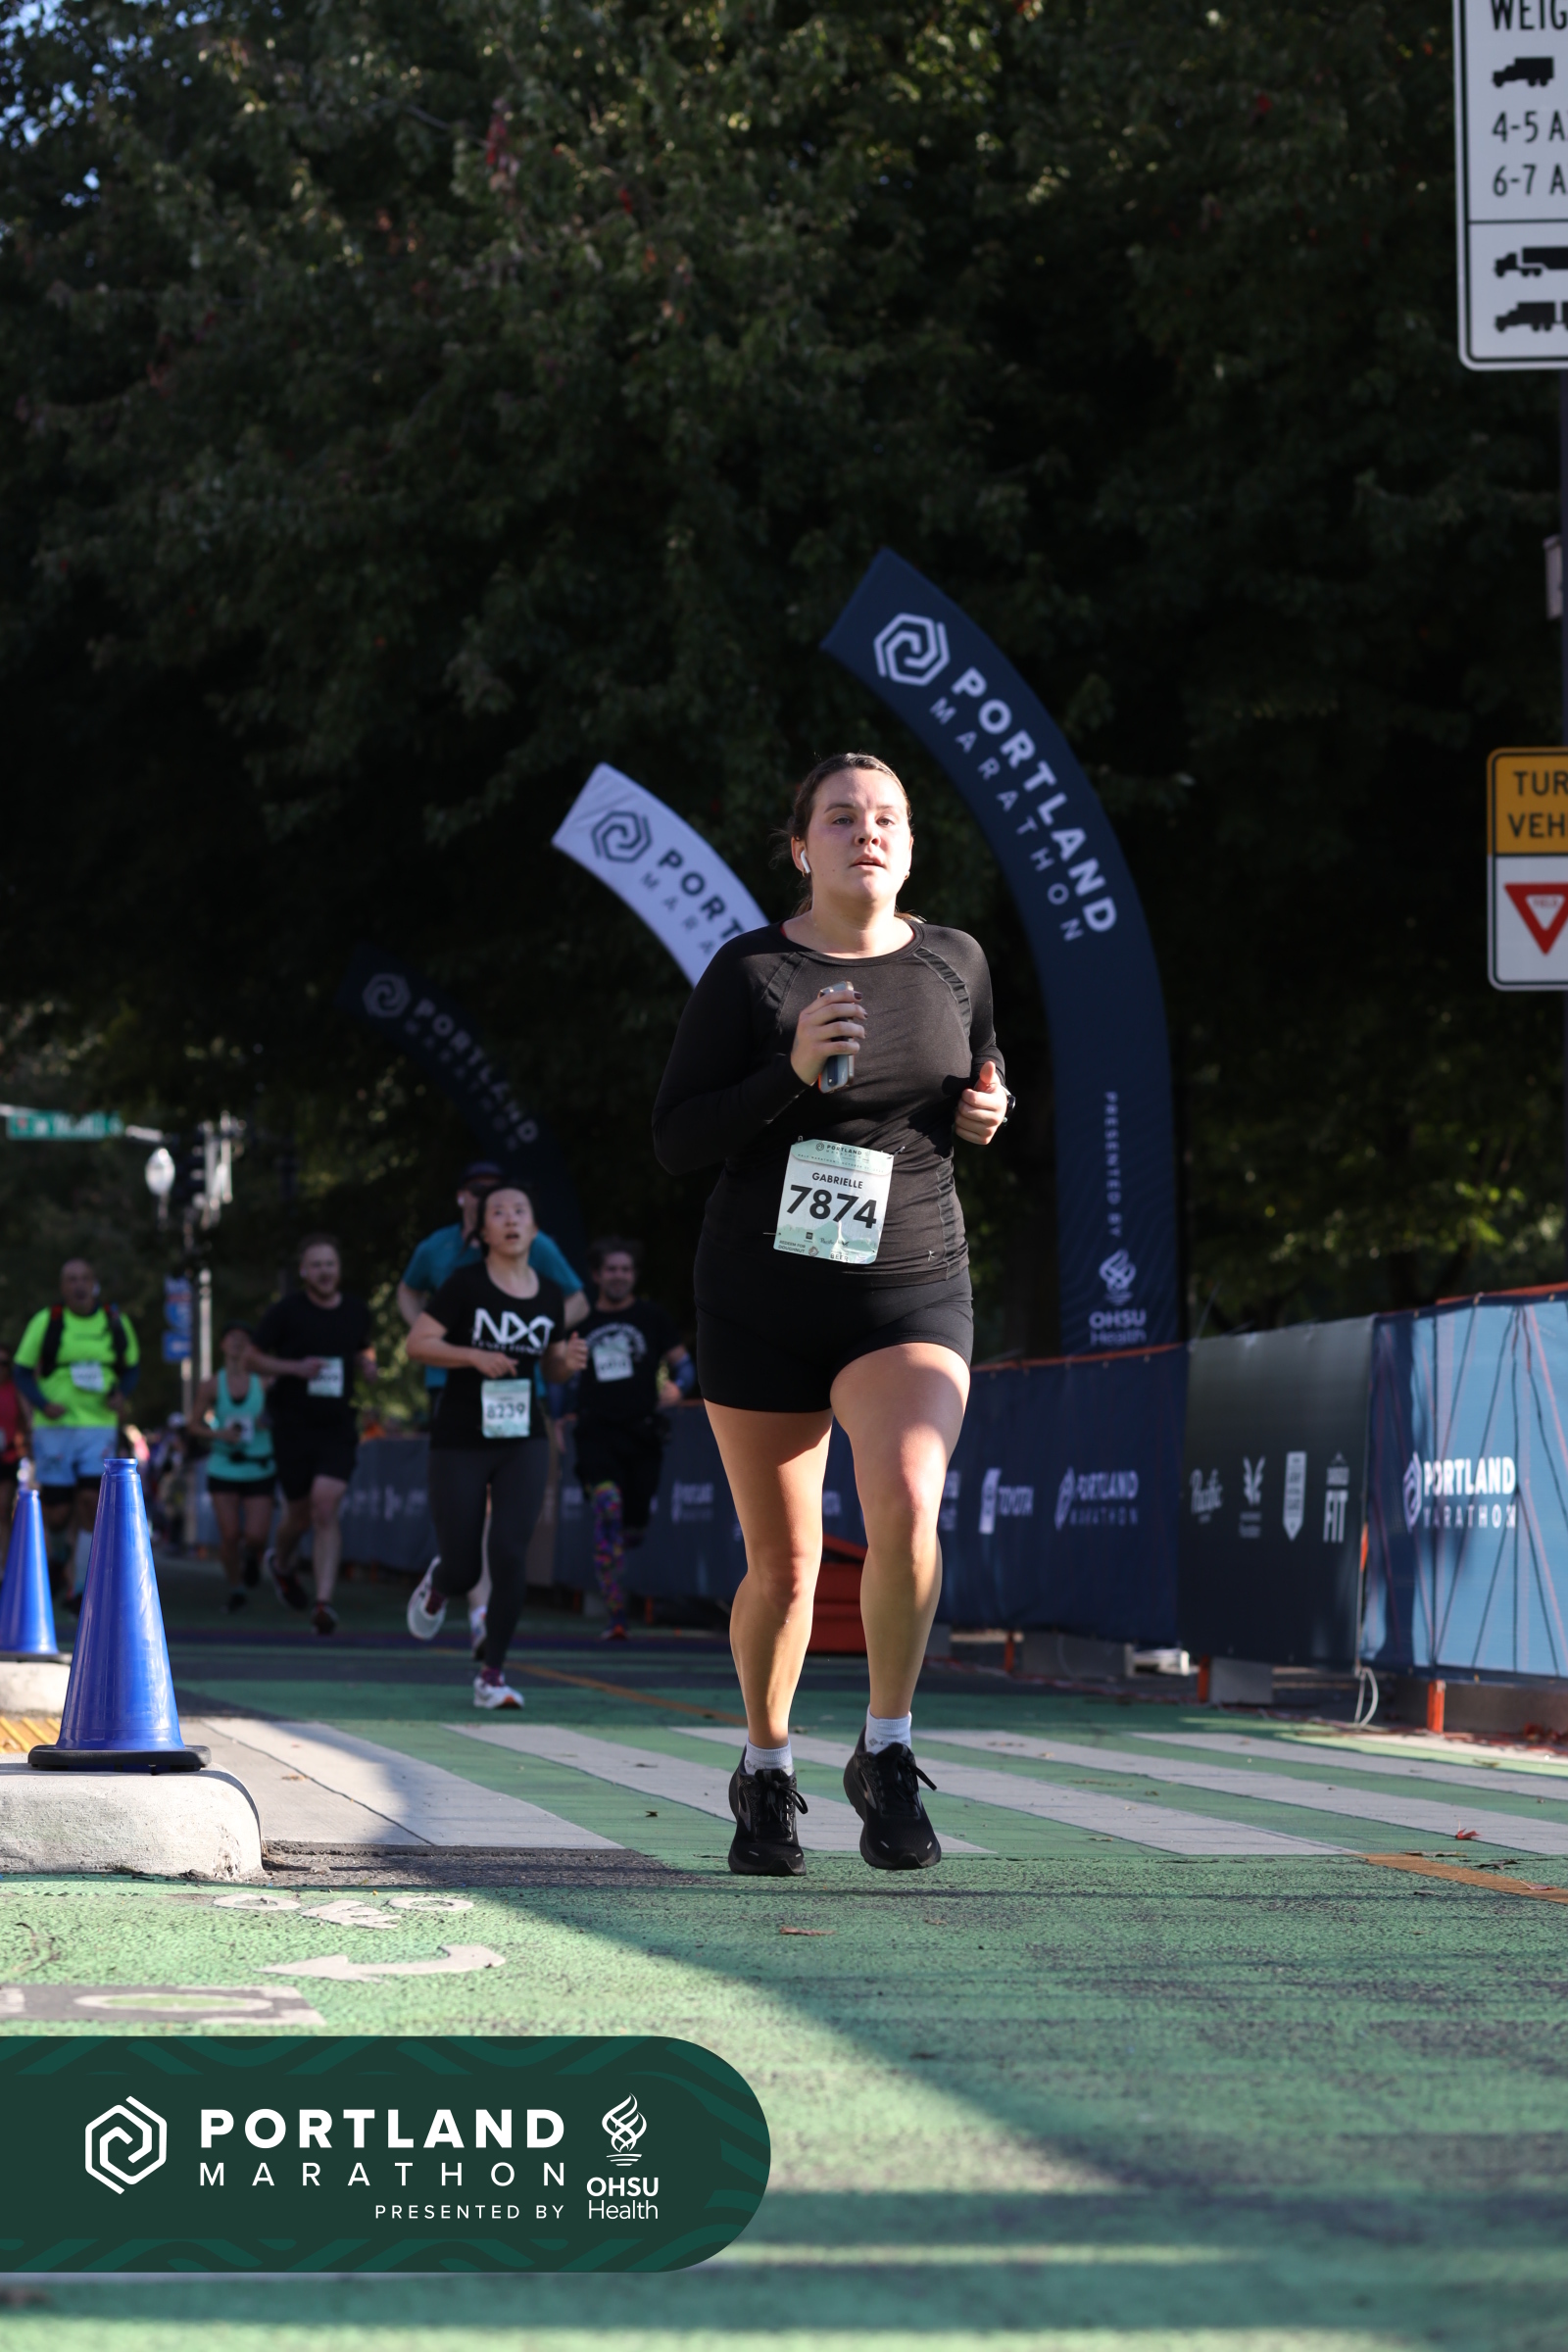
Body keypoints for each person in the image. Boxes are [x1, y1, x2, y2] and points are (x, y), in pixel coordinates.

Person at [652, 753, 1010, 1877]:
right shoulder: (750, 971)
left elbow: (979, 1061)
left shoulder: (955, 958)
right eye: (842, 817)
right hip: (760, 1300)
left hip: (906, 1287)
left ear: (909, 843)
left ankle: (886, 1749)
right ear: (800, 845)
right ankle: (764, 1768)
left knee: (907, 1500)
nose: (868, 832)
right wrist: (791, 1071)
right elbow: (677, 1139)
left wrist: (986, 1103)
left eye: (887, 816)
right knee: (787, 1566)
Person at [404, 1184, 588, 1707]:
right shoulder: (464, 1284)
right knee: (464, 1567)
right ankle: (440, 1582)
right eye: (499, 1213)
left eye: (520, 1211)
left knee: (508, 1553)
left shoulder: (549, 1293)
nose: (510, 1220)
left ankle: (492, 1676)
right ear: (483, 1231)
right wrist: (472, 1356)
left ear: (534, 1229)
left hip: (523, 1435)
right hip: (460, 1437)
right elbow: (417, 1343)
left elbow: (551, 1366)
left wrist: (566, 1363)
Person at [248, 1235, 375, 1636]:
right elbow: (251, 1358)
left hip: (337, 1426)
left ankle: (323, 1602)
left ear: (339, 1269)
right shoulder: (285, 1312)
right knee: (299, 1515)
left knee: (324, 1507)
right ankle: (281, 1562)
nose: (324, 1272)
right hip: (293, 1426)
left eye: (330, 1264)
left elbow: (364, 1349)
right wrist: (293, 1367)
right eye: (316, 1265)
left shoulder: (356, 1311)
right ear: (304, 1271)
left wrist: (368, 1365)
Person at [570, 1237, 692, 1641]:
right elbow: (560, 1374)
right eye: (611, 1269)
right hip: (595, 1432)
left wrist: (679, 1387)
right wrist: (558, 1415)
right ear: (596, 1275)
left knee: (632, 1525)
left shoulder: (652, 1317)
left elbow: (684, 1366)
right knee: (608, 1507)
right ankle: (616, 1614)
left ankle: (624, 1540)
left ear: (634, 1275)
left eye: (625, 1269)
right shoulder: (581, 1321)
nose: (619, 1276)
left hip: (642, 1434)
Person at [12, 1259, 141, 1608]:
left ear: (94, 1283)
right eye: (71, 1279)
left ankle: (81, 1588)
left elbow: (131, 1368)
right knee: (56, 1513)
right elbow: (21, 1371)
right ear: (62, 1286)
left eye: (85, 1278)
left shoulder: (114, 1321)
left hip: (98, 1427)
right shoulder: (47, 1321)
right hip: (55, 1428)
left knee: (89, 1502)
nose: (79, 1285)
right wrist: (42, 1403)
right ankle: (59, 1556)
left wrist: (121, 1394)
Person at [192, 1320, 276, 1612]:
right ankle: (236, 1587)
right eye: (232, 1337)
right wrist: (219, 1434)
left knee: (256, 1536)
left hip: (259, 1465)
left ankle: (252, 1557)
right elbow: (193, 1424)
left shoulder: (264, 1382)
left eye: (244, 1338)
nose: (238, 1342)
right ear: (222, 1345)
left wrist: (268, 1420)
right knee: (229, 1535)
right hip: (224, 1466)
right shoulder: (212, 1385)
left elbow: (283, 1414)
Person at [0, 1342, 30, 1542]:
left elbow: (27, 1421)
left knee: (3, 1508)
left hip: (8, 1457)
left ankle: (6, 1556)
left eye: (4, 1363)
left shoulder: (16, 1390)